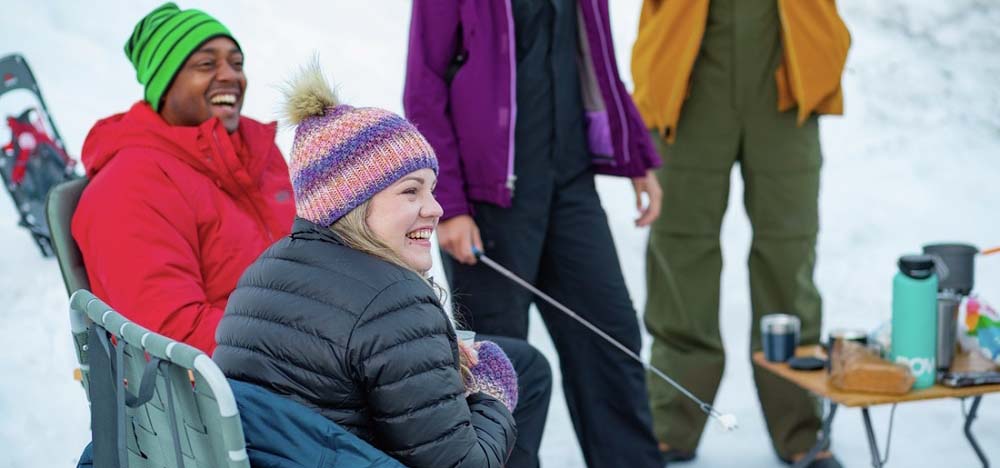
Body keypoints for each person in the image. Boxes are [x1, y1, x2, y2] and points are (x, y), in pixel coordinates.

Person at [213, 62, 552, 468]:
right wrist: (490, 390)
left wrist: (428, 361)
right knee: (514, 365)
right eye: (411, 192)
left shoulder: (263, 273)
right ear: (349, 203)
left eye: (432, 189)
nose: (435, 208)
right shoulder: (394, 300)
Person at [403, 1, 663, 467]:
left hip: (570, 185)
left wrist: (635, 153)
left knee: (612, 336)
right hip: (489, 200)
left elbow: (597, 59)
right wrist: (452, 206)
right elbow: (424, 87)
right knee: (499, 368)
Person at [630, 0, 850, 466]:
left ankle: (800, 425)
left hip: (786, 74)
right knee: (680, 247)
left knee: (788, 252)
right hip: (688, 78)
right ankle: (672, 420)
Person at [72, 2, 295, 354]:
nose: (230, 76)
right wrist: (308, 348)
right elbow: (172, 332)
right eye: (206, 64)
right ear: (164, 83)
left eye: (237, 64)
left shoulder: (257, 154)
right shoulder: (129, 184)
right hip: (237, 388)